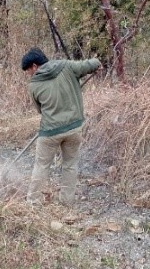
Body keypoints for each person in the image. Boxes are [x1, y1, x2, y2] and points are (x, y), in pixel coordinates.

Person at [21, 47, 101, 204]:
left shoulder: (34, 85)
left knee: (42, 165)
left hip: (50, 132)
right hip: (74, 128)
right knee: (70, 165)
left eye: (28, 70)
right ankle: (67, 201)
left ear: (35, 66)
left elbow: (40, 110)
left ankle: (33, 201)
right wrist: (97, 65)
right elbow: (93, 63)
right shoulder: (67, 66)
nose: (29, 74)